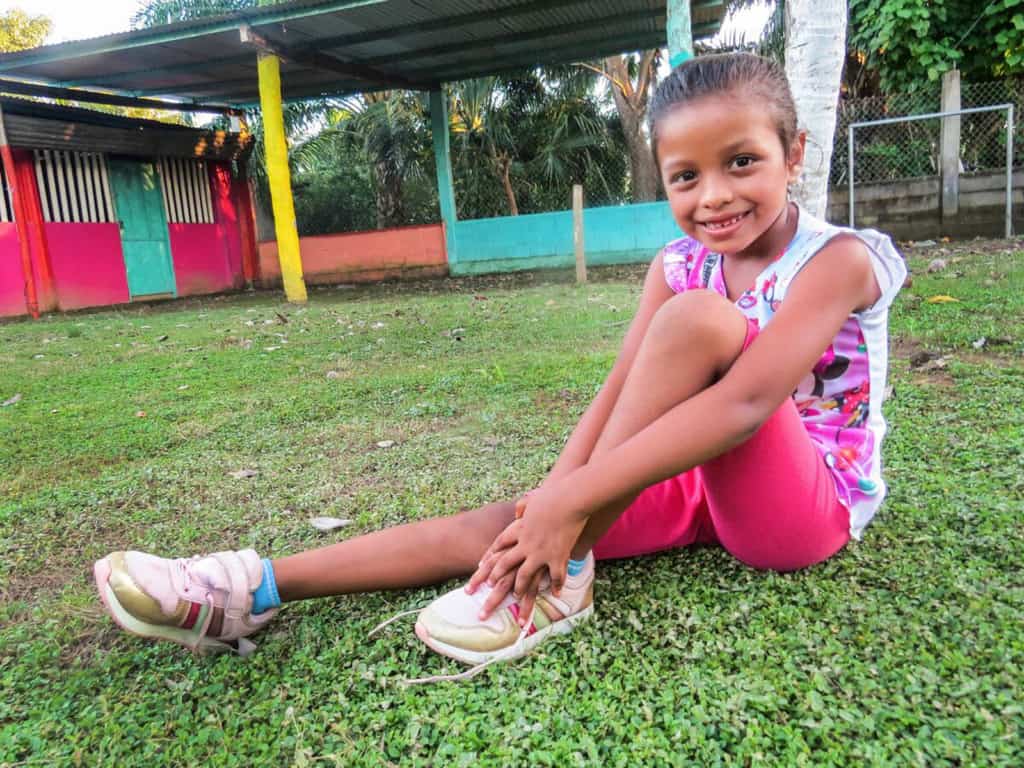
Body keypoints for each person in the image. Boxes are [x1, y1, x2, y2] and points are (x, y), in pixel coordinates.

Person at [93, 53, 906, 680]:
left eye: (742, 162)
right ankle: (253, 589)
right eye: (685, 177)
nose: (714, 197)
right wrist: (549, 505)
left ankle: (565, 580)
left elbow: (746, 405)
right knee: (517, 525)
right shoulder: (677, 263)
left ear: (793, 153)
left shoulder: (838, 260)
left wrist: (576, 509)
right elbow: (619, 393)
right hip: (696, 480)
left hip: (804, 510)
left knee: (692, 333)